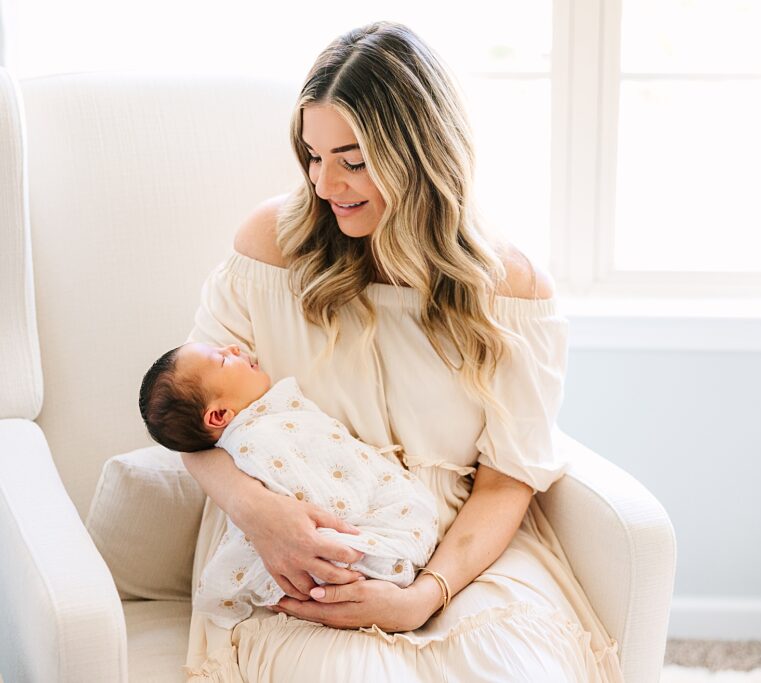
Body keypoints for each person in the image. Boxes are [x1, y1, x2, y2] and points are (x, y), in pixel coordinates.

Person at [182, 20, 624, 682]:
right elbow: (190, 416)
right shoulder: (271, 250)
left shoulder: (509, 289)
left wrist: (422, 596)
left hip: (464, 555)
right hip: (306, 542)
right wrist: (263, 516)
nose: (326, 184)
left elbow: (507, 479)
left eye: (352, 159)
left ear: (420, 151)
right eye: (312, 155)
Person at [138, 341, 438, 629]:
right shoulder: (254, 443)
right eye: (222, 359)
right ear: (219, 415)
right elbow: (316, 501)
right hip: (357, 550)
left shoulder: (277, 418)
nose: (233, 348)